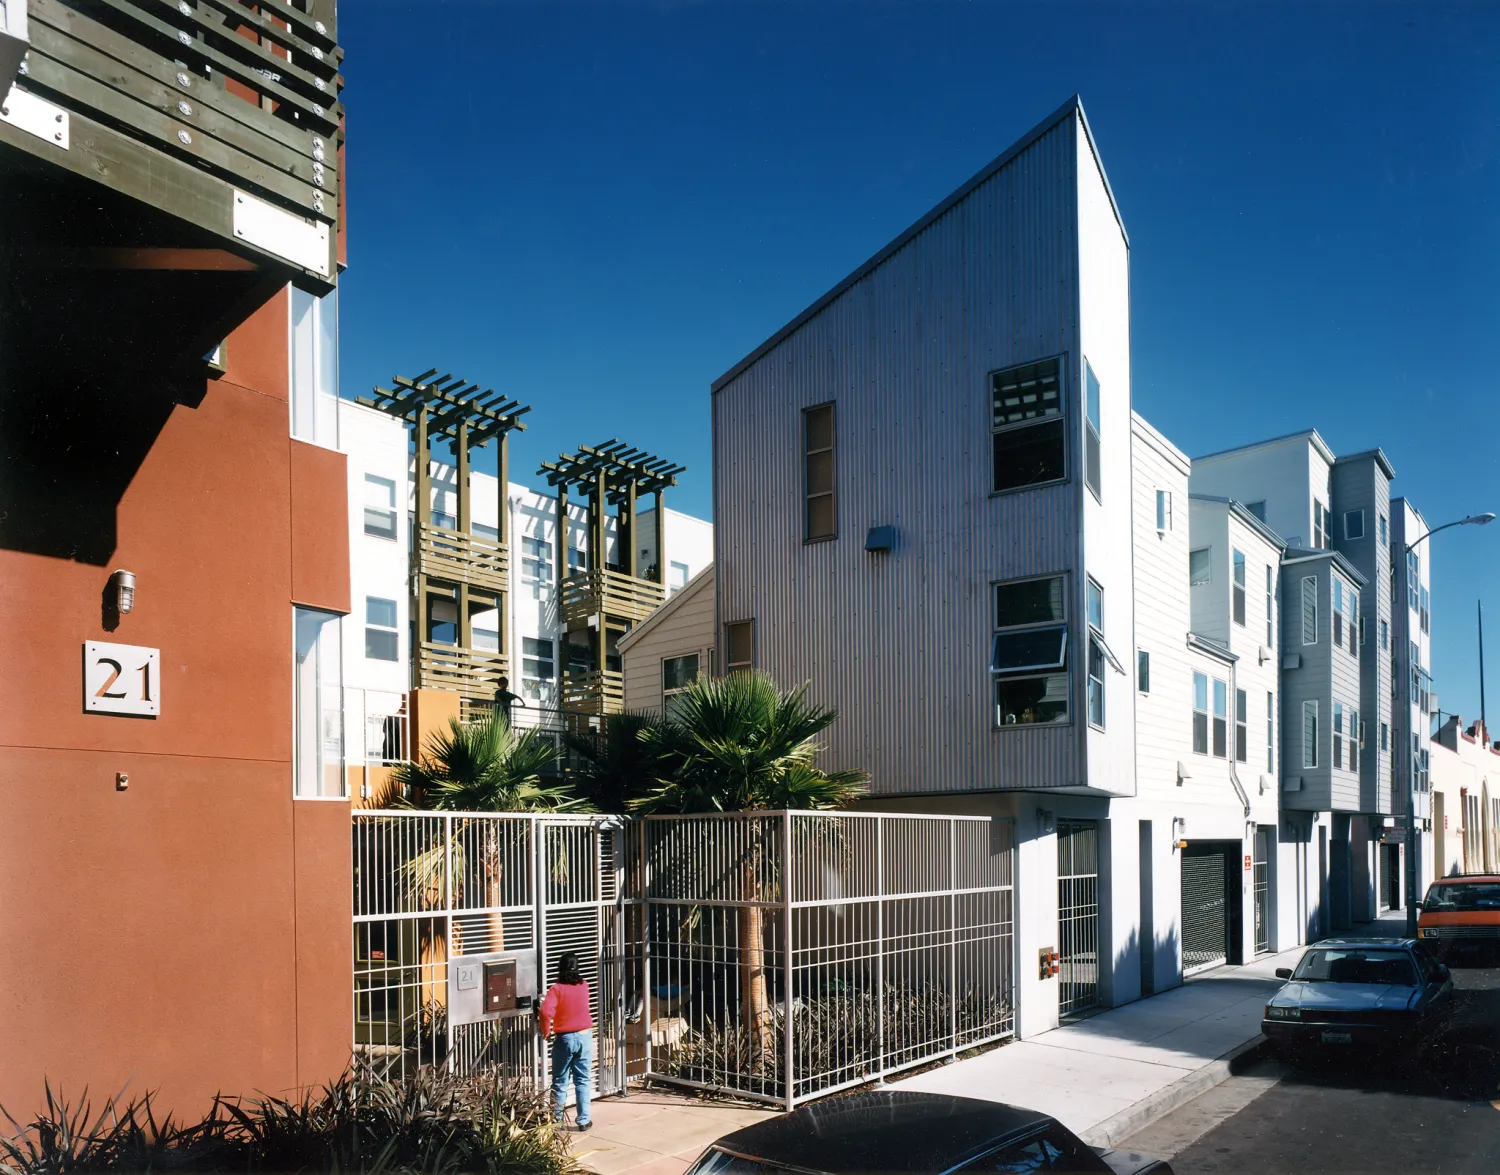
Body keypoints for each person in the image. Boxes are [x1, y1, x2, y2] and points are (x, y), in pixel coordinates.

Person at [538, 951, 594, 1131]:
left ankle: (557, 1121)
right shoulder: (585, 985)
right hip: (585, 1036)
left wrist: (545, 1031)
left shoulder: (556, 989)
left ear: (560, 968)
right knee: (583, 1079)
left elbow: (546, 1012)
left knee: (560, 1081)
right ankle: (584, 1120)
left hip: (566, 1038)